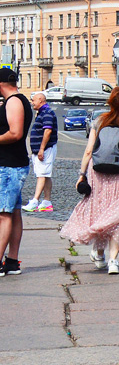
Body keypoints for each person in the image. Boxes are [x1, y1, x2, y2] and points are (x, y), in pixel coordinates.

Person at [60, 86, 119, 276]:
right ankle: (113, 261)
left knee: (101, 211)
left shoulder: (100, 121)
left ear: (111, 101)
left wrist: (82, 174)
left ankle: (100, 254)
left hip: (98, 173)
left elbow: (88, 151)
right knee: (117, 217)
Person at [0, 67, 34, 276]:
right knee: (13, 213)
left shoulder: (13, 101)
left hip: (9, 165)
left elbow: (15, 133)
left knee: (3, 215)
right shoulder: (18, 100)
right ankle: (12, 261)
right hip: (13, 164)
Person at [23, 90, 56, 213]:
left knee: (41, 175)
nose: (32, 103)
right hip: (41, 150)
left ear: (41, 101)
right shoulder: (42, 112)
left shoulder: (47, 113)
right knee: (45, 175)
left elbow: (48, 131)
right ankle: (47, 202)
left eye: (34, 100)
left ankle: (35, 201)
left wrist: (42, 149)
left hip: (45, 149)